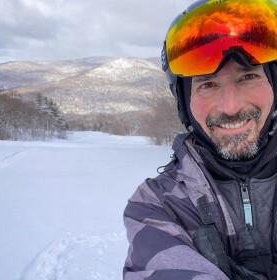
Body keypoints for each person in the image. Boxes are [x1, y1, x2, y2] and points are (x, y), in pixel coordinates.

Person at [123, 0, 277, 279]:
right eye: (208, 84)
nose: (231, 107)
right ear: (185, 103)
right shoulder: (158, 205)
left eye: (249, 77)